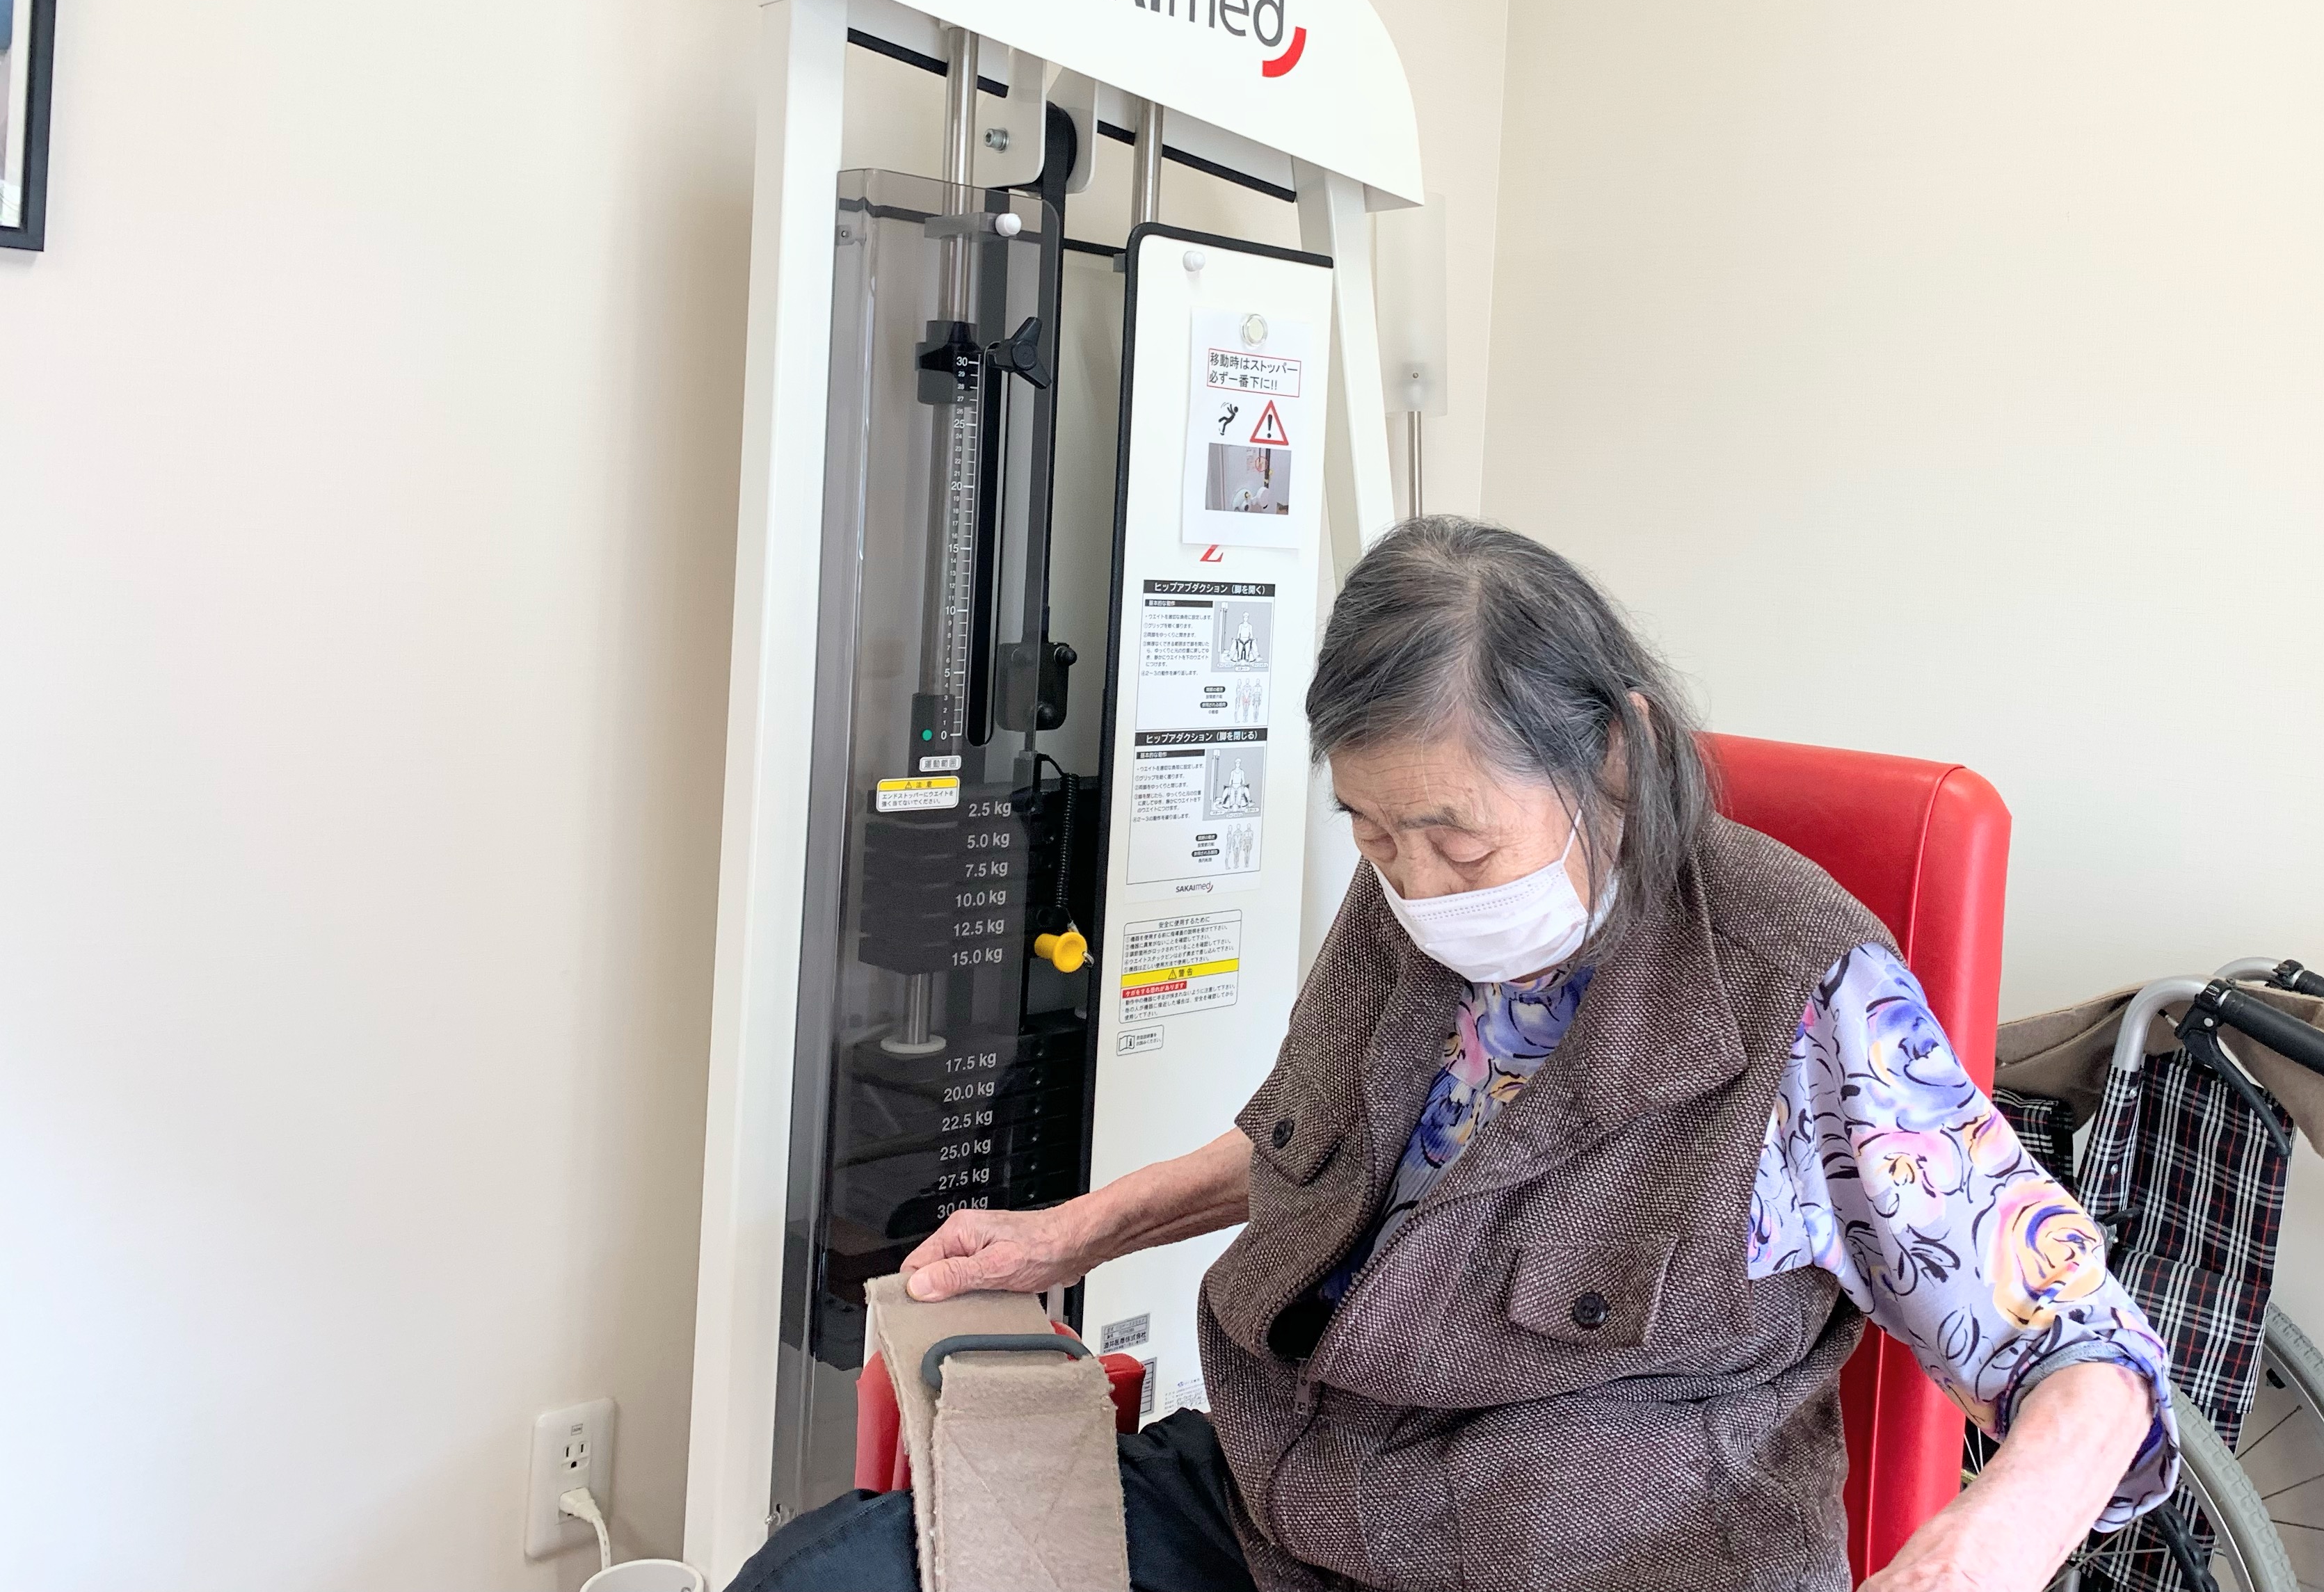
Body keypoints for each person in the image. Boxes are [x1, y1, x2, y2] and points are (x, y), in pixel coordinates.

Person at [731, 517, 2174, 1592]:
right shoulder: (1414, 906)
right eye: (1374, 834)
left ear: (1616, 754)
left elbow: (2086, 1356)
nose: (1417, 883)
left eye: (1458, 840)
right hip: (1288, 1505)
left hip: (1588, 1559)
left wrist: (1973, 1551)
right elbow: (1309, 1144)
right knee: (820, 1578)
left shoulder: (1808, 1000)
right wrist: (1078, 1230)